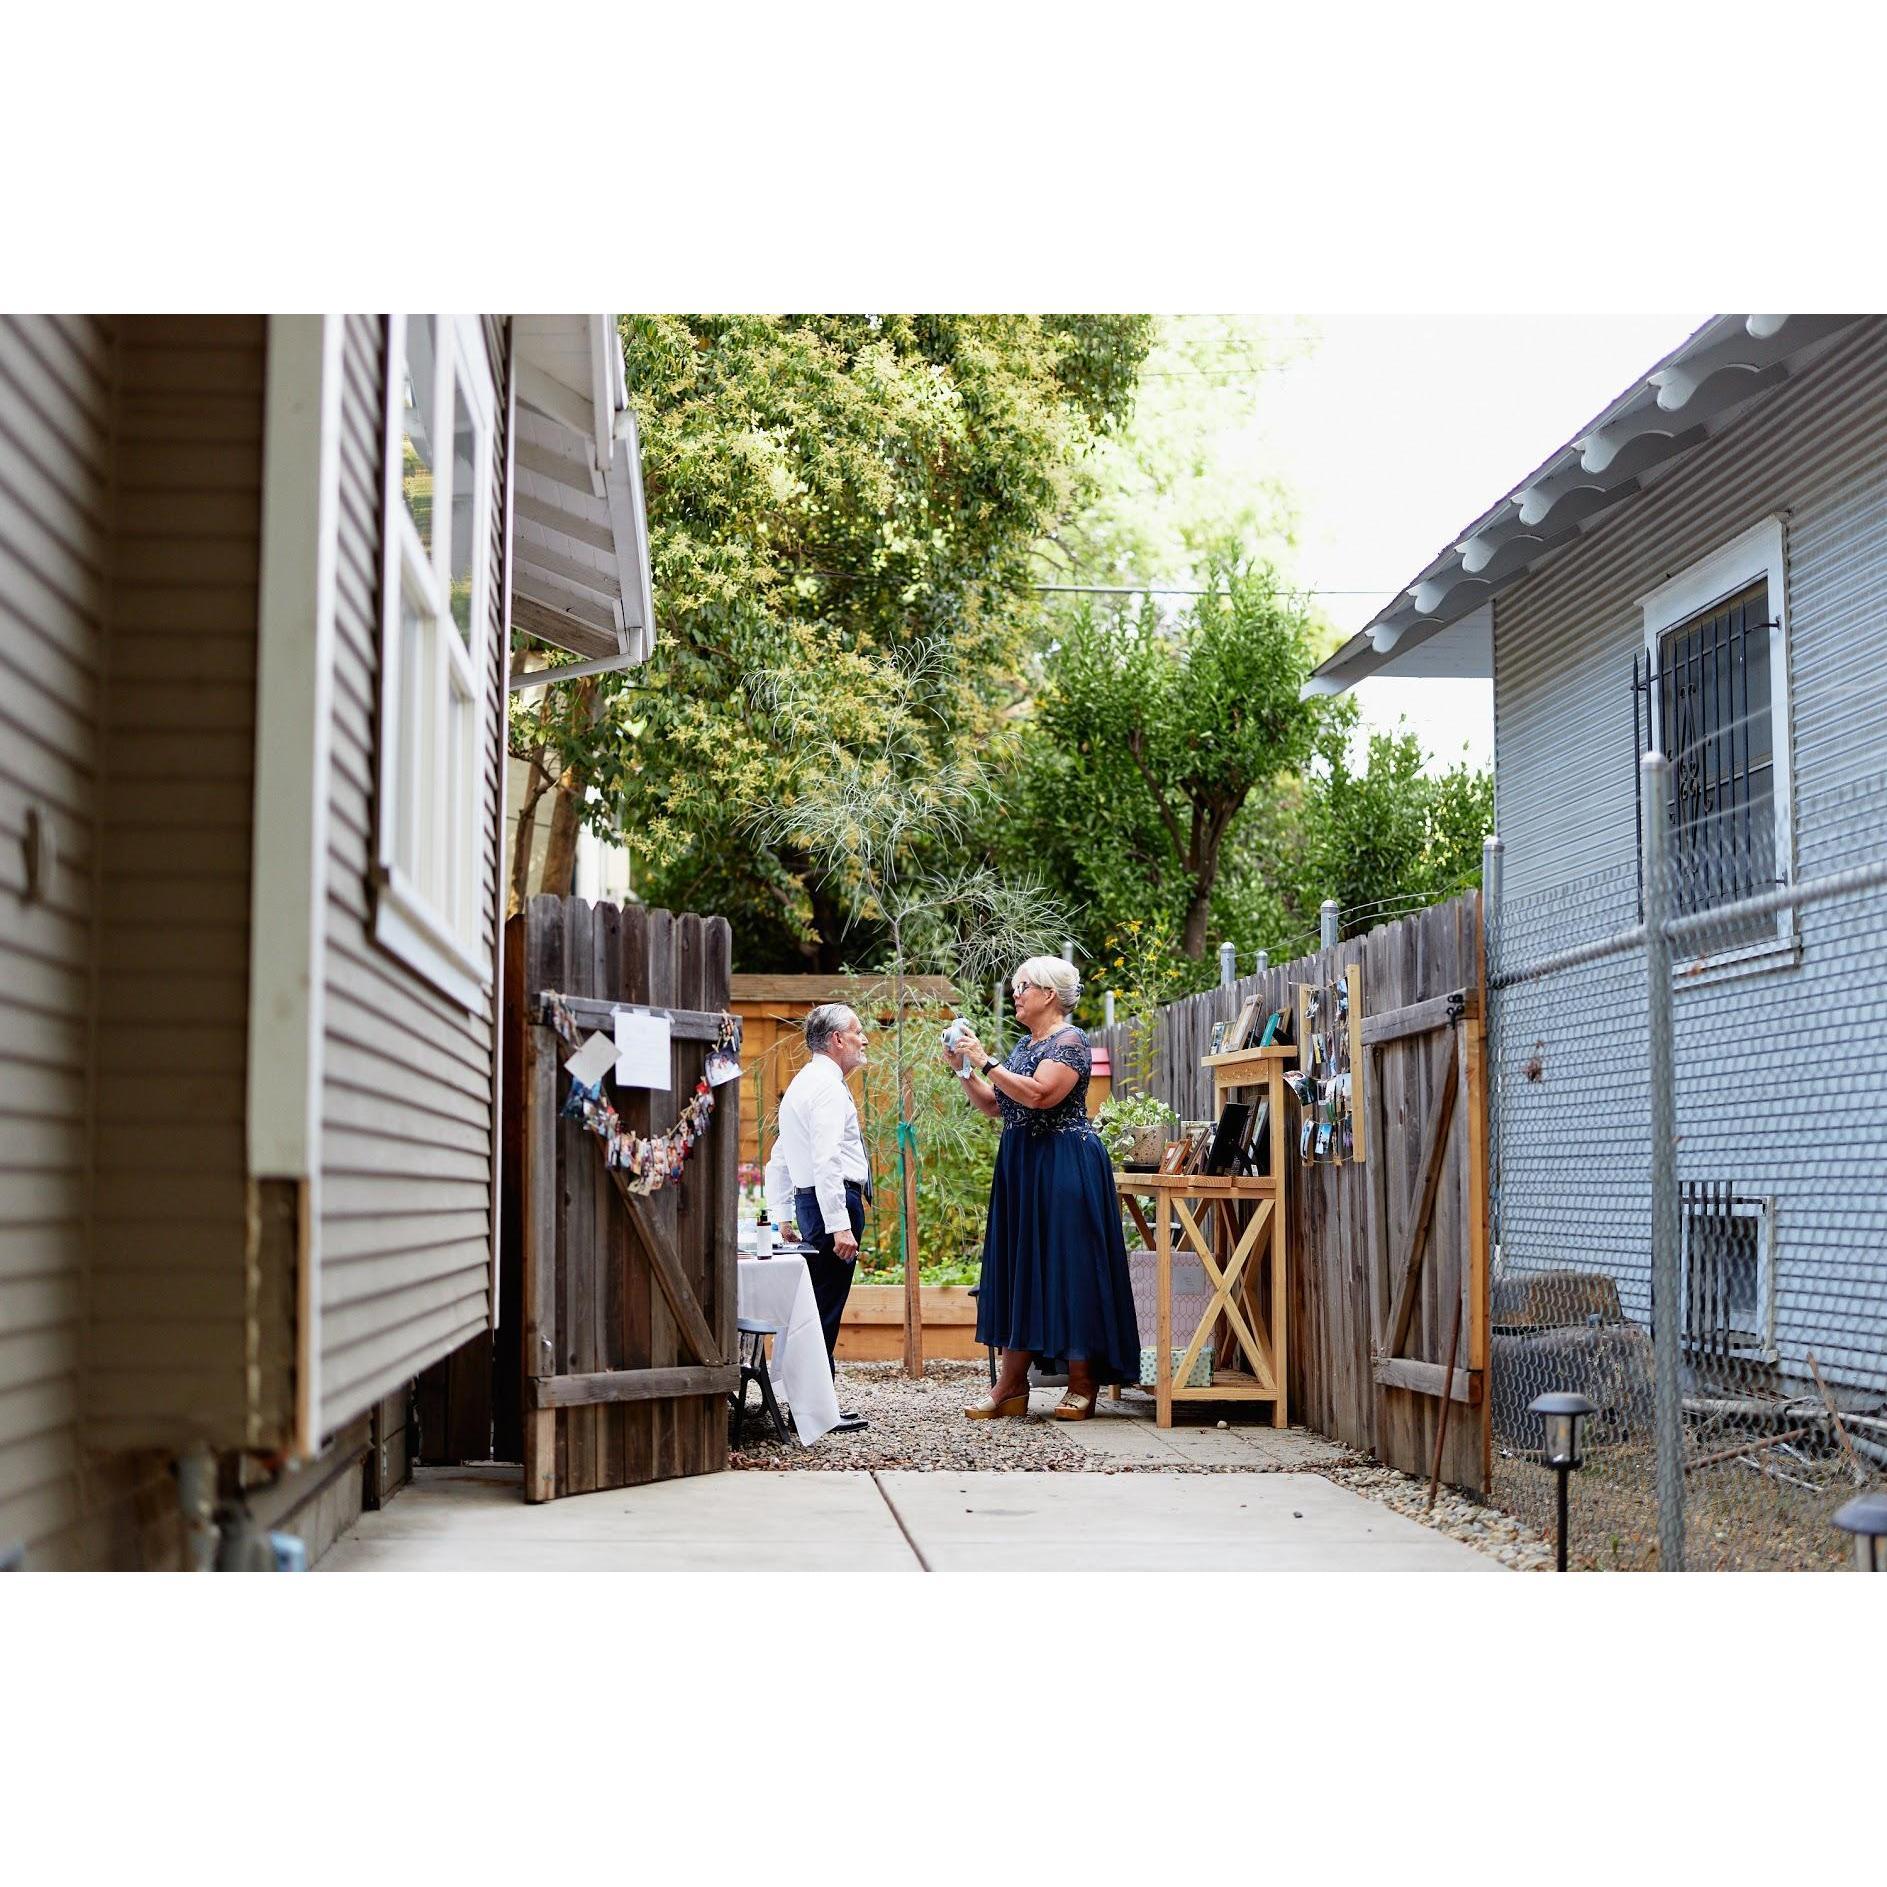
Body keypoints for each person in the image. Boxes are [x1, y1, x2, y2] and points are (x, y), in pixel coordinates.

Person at [945, 957, 1140, 1420]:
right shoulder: (1024, 1043)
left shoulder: (1071, 1041)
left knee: (1068, 1267)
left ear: (1049, 995)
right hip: (1023, 1166)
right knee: (1020, 1267)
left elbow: (1039, 1094)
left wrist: (985, 1060)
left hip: (1064, 1163)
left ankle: (1082, 1382)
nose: (1016, 994)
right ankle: (1011, 1386)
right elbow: (996, 1104)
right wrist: (965, 1072)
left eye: (1023, 986)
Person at [764, 1002, 872, 1431]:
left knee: (814, 1308)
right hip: (833, 1205)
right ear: (836, 1039)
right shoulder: (825, 1087)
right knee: (823, 1310)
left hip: (815, 1204)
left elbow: (779, 1157)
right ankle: (811, 1413)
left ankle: (809, 1406)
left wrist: (783, 1212)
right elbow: (826, 1159)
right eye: (857, 1031)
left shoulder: (803, 1083)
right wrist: (839, 1224)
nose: (864, 1039)